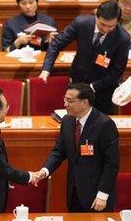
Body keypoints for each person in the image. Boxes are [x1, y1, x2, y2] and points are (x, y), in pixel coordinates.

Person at [37, 83, 119, 212]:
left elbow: (112, 163)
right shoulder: (67, 121)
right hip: (74, 192)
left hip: (97, 196)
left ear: (84, 103)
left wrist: (103, 194)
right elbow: (59, 151)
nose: (65, 104)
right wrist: (45, 170)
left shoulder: (104, 124)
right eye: (65, 99)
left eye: (70, 101)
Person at [39, 0, 130, 115]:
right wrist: (46, 69)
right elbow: (56, 43)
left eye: (111, 26)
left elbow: (117, 71)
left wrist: (93, 87)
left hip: (103, 91)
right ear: (96, 16)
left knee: (99, 128)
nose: (106, 29)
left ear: (117, 21)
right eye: (102, 24)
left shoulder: (122, 38)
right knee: (73, 123)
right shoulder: (81, 23)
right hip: (77, 84)